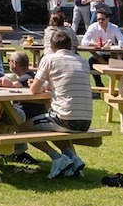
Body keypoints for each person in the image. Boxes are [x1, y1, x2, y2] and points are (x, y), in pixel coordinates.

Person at [26, 29, 95, 178]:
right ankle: (72, 158)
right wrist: (46, 86)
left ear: (51, 47)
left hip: (64, 119)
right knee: (51, 127)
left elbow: (33, 90)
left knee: (23, 129)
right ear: (71, 46)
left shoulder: (49, 59)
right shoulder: (82, 61)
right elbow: (62, 80)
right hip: (85, 121)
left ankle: (57, 158)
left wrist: (36, 84)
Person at [80, 9, 123, 85]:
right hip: (98, 54)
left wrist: (113, 46)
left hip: (112, 55)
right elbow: (84, 42)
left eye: (102, 19)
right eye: (98, 19)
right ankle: (99, 85)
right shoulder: (93, 27)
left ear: (108, 19)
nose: (100, 21)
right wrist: (97, 45)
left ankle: (122, 87)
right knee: (91, 60)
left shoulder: (114, 27)